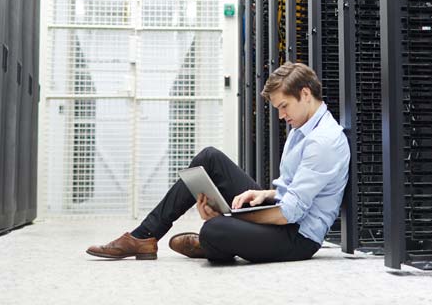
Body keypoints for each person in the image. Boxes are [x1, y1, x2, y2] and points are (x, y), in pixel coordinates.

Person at [86, 62, 350, 263]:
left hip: (298, 238)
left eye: (284, 106)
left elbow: (290, 213)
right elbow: (296, 191)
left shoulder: (322, 141)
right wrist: (263, 194)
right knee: (209, 158)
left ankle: (219, 239)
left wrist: (231, 215)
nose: (281, 116)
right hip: (285, 213)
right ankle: (144, 237)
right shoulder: (302, 127)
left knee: (214, 228)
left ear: (305, 94)